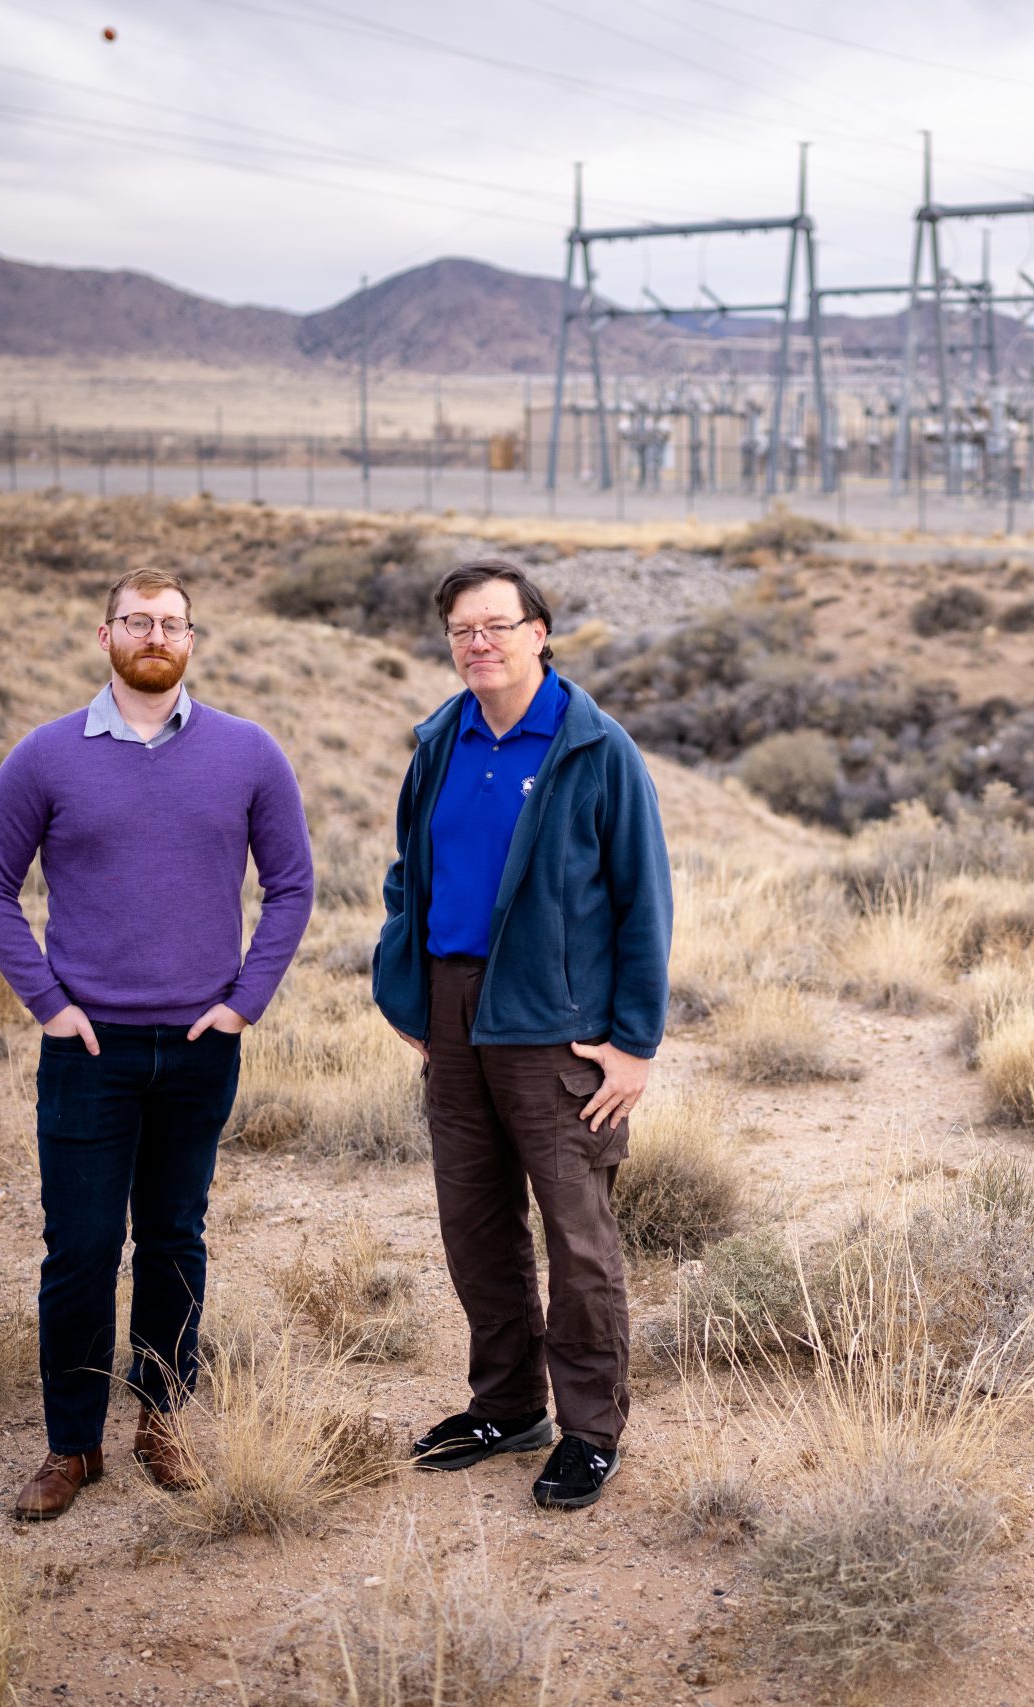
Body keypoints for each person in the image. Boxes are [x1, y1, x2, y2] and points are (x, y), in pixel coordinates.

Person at [0, 568, 314, 1522]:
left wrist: (245, 1003)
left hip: (202, 1044)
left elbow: (292, 885)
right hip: (89, 1050)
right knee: (79, 1249)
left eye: (172, 623)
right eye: (136, 621)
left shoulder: (247, 752)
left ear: (192, 640)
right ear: (104, 633)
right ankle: (72, 1445)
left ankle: (163, 1416)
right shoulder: (45, 757)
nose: (154, 634)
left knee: (173, 1240)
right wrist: (47, 1002)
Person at [371, 558, 671, 1512]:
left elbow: (643, 899)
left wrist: (634, 1043)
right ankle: (507, 1404)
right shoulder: (440, 742)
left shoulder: (595, 747)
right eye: (462, 629)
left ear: (539, 631)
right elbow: (405, 876)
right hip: (454, 1019)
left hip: (558, 1027)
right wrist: (410, 994)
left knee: (578, 1234)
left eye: (497, 625)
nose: (480, 643)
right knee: (475, 1223)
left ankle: (590, 1428)